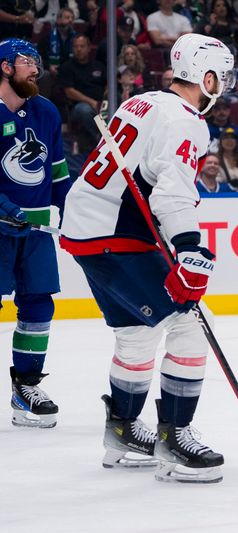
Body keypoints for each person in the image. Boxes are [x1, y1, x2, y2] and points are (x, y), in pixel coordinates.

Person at [60, 34, 235, 483]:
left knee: (137, 334)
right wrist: (191, 250)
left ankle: (122, 429)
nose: (225, 85)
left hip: (87, 227)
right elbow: (172, 192)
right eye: (222, 76)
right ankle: (174, 437)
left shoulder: (141, 103)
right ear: (206, 76)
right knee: (193, 325)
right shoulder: (186, 120)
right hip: (117, 234)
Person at [0, 38, 72, 429]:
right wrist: (8, 210)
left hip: (36, 234)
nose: (36, 70)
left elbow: (57, 174)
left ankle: (25, 387)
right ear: (5, 66)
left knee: (39, 307)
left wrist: (76, 211)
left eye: (38, 63)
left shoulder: (45, 111)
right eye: (27, 62)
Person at [58, 34, 107, 152]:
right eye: (76, 47)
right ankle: (101, 139)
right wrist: (93, 102)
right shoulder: (67, 67)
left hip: (101, 103)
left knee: (114, 104)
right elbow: (69, 91)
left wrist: (104, 100)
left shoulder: (99, 66)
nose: (79, 49)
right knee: (84, 110)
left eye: (82, 46)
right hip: (78, 106)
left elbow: (108, 84)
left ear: (89, 48)